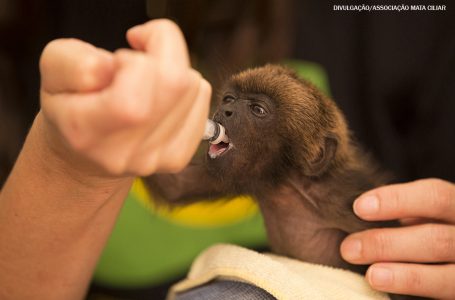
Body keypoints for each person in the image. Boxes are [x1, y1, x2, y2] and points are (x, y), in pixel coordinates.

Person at [0, 18, 453, 300]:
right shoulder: (258, 176)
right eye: (231, 100)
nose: (227, 112)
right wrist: (98, 142)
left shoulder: (349, 203)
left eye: (257, 111)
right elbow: (174, 186)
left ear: (315, 154)